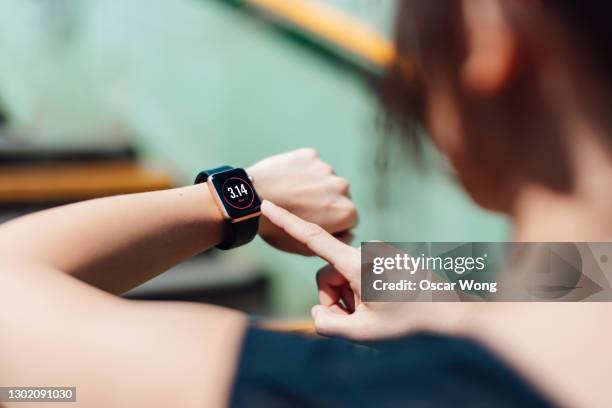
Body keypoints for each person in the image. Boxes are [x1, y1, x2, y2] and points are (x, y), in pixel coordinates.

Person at [2, 0, 612, 406]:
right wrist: (449, 309)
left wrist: (235, 198)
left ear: (491, 34)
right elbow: (589, 273)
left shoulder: (384, 391)